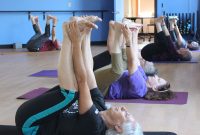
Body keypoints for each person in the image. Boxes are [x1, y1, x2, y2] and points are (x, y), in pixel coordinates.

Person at [0, 17, 143, 135]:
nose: (125, 109)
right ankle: (70, 31)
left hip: (30, 125)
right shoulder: (101, 106)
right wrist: (87, 32)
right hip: (40, 115)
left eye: (126, 115)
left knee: (71, 94)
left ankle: (66, 32)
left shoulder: (94, 127)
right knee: (77, 88)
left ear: (118, 127)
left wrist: (74, 42)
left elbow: (82, 81)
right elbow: (88, 73)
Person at [94, 20, 173, 100]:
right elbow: (135, 59)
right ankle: (118, 29)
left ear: (155, 88)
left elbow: (131, 62)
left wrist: (128, 39)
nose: (156, 76)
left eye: (158, 80)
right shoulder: (144, 78)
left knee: (119, 70)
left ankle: (118, 31)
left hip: (102, 88)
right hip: (106, 79)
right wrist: (135, 33)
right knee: (124, 61)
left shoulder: (141, 89)